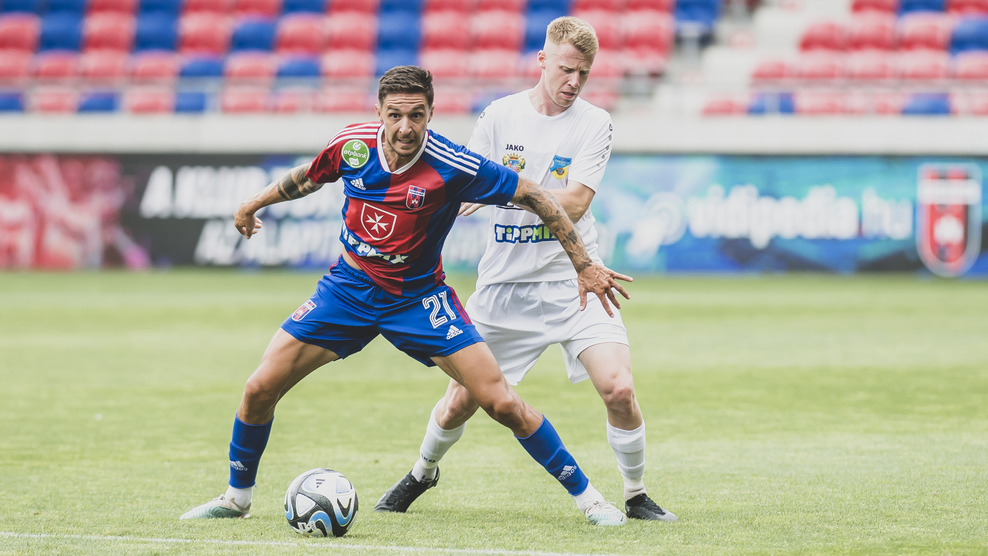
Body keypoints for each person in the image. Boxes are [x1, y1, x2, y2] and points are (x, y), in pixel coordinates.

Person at [180, 65, 633, 526]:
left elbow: (536, 196)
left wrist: (583, 264)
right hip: (348, 290)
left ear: (431, 113)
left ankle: (591, 500)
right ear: (378, 111)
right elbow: (310, 177)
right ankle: (236, 498)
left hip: (418, 299)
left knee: (499, 401)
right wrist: (253, 203)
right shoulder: (353, 146)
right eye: (395, 115)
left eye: (416, 115)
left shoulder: (454, 165)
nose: (405, 127)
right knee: (259, 388)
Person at [374, 19, 677, 522]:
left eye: (583, 73)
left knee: (619, 389)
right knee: (459, 403)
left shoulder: (595, 122)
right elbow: (462, 180)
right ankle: (421, 473)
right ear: (542, 59)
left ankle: (636, 494)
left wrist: (503, 190)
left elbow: (575, 203)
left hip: (575, 279)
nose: (573, 82)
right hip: (504, 287)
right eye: (565, 69)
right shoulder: (500, 115)